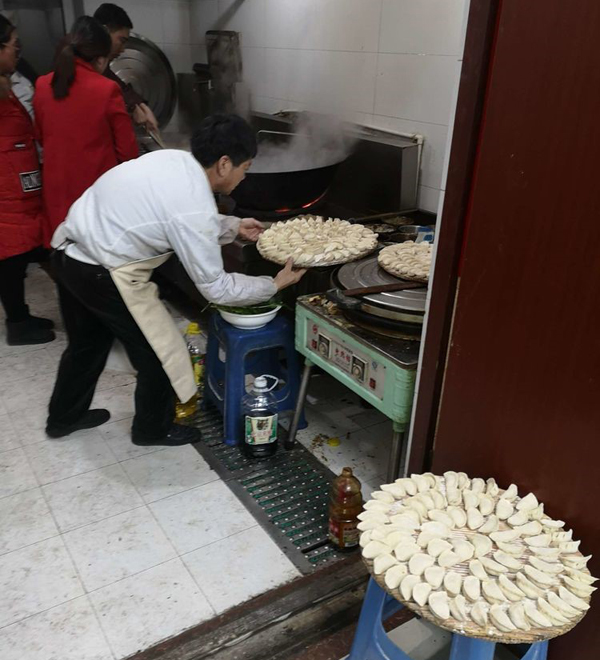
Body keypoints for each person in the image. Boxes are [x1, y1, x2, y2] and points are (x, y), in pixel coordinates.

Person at [46, 114, 306, 446]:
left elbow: (174, 216)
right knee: (161, 353)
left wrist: (232, 226)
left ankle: (63, 418)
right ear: (224, 164)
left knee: (86, 345)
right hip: (103, 271)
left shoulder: (174, 160)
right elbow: (217, 287)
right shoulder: (193, 203)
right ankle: (151, 430)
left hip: (68, 253)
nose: (244, 177)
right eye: (245, 168)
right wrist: (274, 284)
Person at [33, 16, 139, 245]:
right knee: (94, 261)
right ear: (101, 59)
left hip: (56, 196)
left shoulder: (42, 85)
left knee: (62, 256)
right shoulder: (107, 89)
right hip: (94, 200)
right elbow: (128, 153)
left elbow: (40, 137)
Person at [0, 15, 54, 345]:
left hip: (18, 177)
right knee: (10, 254)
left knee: (17, 253)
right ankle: (17, 324)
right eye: (13, 47)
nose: (18, 53)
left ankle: (20, 315)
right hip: (6, 183)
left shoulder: (9, 82)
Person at [93, 3, 159, 133]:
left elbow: (117, 84)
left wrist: (141, 105)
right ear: (104, 32)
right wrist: (132, 107)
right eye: (121, 41)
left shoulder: (98, 63)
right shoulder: (82, 65)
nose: (122, 49)